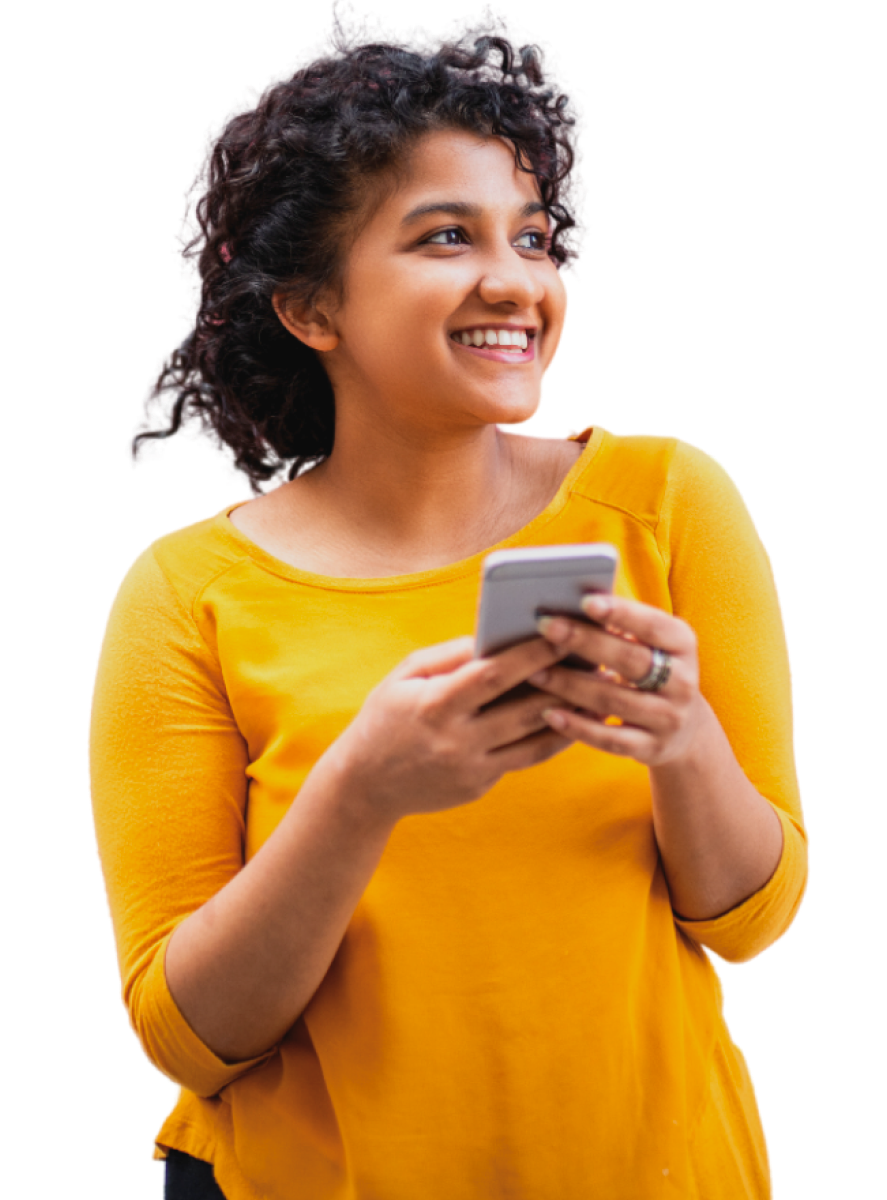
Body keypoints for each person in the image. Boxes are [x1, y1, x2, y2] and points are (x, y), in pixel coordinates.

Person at [88, 8, 809, 1198]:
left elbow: (750, 920)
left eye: (531, 238)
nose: (514, 282)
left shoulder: (666, 501)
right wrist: (360, 795)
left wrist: (682, 745)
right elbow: (188, 1035)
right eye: (442, 237)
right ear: (312, 311)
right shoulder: (186, 592)